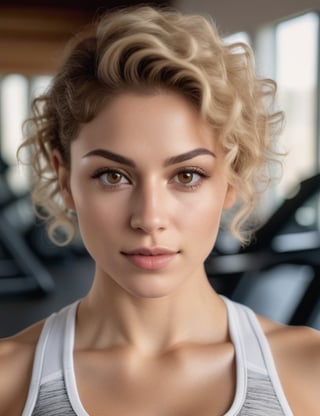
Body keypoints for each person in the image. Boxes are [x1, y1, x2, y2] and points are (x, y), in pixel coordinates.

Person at [0, 5, 319, 416]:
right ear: (65, 181)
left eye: (186, 175)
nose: (149, 218)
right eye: (113, 176)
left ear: (232, 181)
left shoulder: (309, 370)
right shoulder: (9, 380)